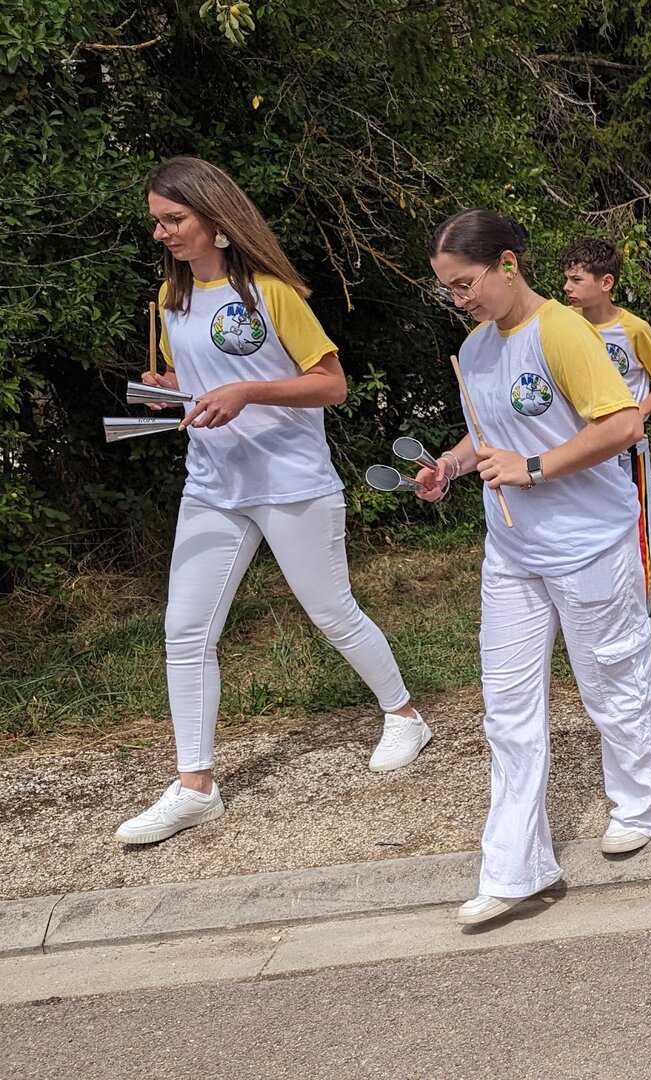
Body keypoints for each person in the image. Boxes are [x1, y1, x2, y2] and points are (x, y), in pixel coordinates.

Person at [115, 156, 429, 846]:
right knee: (185, 630)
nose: (162, 233)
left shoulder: (271, 293)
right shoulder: (170, 300)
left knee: (332, 611)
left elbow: (331, 384)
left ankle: (405, 716)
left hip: (291, 482)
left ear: (215, 218)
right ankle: (195, 786)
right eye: (157, 222)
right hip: (212, 486)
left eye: (174, 219)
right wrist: (166, 391)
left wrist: (248, 392)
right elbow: (200, 383)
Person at [415, 209, 651, 924]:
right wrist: (450, 466)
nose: (459, 299)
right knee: (507, 711)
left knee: (612, 684)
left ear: (507, 263)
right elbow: (485, 433)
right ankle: (515, 867)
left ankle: (643, 804)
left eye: (465, 283)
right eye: (448, 289)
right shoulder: (474, 349)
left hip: (590, 543)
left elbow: (622, 424)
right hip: (512, 553)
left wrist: (532, 467)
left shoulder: (562, 330)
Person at [559, 238, 651, 604]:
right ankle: (596, 601)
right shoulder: (564, 325)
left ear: (606, 282)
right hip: (580, 448)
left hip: (626, 452)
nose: (567, 287)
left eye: (576, 280)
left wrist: (636, 415)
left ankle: (640, 608)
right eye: (566, 279)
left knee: (633, 525)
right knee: (585, 525)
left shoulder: (634, 329)